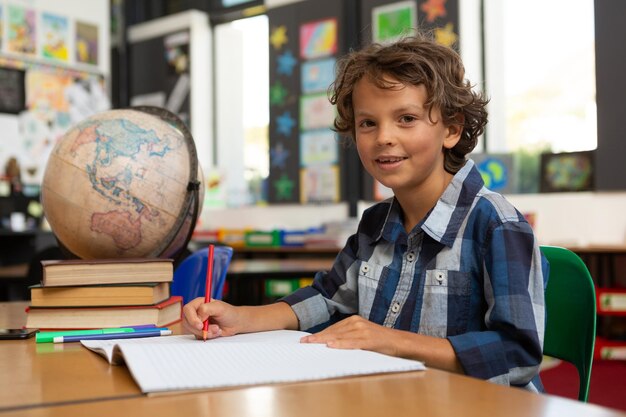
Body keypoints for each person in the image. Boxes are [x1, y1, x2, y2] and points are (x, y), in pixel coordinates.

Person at [183, 31, 549, 392]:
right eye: (367, 123)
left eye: (406, 118)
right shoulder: (375, 223)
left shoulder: (496, 224)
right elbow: (327, 299)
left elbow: (517, 353)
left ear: (451, 129)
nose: (383, 136)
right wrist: (240, 317)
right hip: (396, 396)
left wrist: (391, 341)